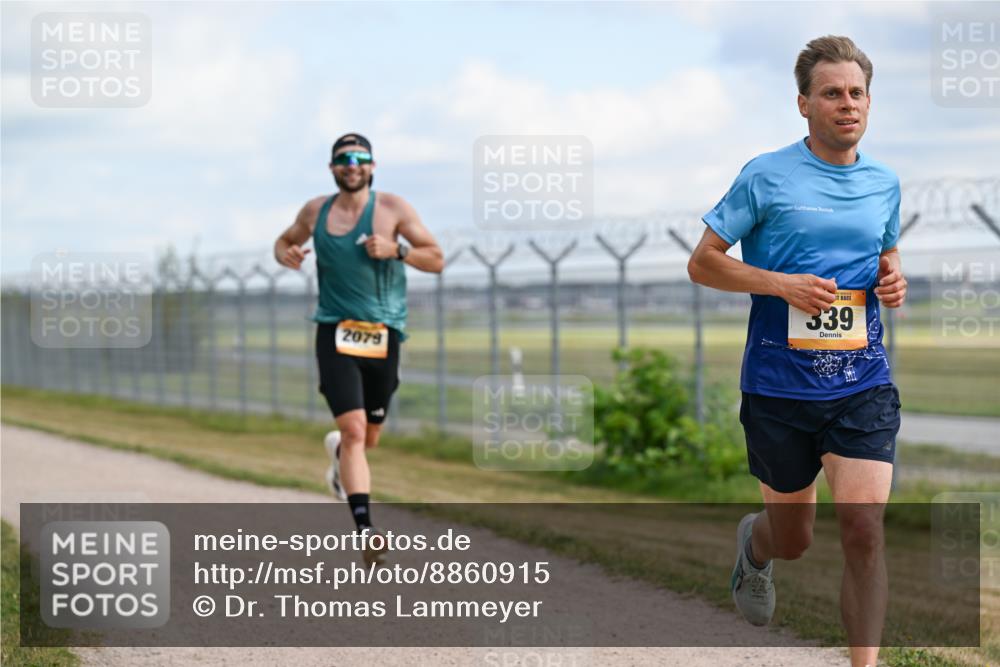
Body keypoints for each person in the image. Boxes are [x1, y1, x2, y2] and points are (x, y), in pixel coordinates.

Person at [687, 36, 907, 667]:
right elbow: (703, 264)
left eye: (857, 93)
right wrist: (779, 283)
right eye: (832, 93)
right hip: (780, 386)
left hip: (861, 383)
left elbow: (885, 252)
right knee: (794, 538)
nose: (847, 104)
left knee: (864, 531)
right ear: (804, 104)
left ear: (869, 102)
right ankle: (755, 552)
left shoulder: (884, 182)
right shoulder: (766, 175)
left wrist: (894, 277)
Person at [274, 133, 444, 565]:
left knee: (367, 438)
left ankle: (337, 460)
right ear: (332, 168)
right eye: (343, 159)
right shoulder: (316, 211)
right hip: (334, 331)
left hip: (382, 333)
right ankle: (366, 530)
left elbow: (436, 258)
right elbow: (283, 241)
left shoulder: (392, 210)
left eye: (360, 158)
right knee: (352, 432)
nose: (352, 165)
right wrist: (287, 255)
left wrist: (397, 250)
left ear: (372, 166)